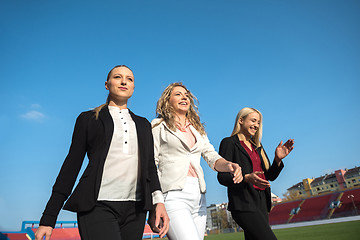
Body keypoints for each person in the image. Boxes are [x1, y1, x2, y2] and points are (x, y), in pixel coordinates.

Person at [35, 65, 169, 240]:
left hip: (136, 210)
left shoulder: (143, 124)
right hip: (97, 206)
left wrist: (157, 203)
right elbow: (71, 166)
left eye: (129, 79)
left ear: (133, 88)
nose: (123, 81)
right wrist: (49, 217)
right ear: (107, 84)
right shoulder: (88, 119)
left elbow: (150, 168)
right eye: (117, 77)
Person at [149, 82, 243, 240]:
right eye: (178, 94)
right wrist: (155, 201)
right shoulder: (158, 125)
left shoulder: (197, 128)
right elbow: (151, 164)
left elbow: (210, 154)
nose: (184, 96)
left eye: (186, 94)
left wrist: (228, 165)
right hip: (172, 195)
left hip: (199, 197)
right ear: (167, 100)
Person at [217, 107, 294, 240]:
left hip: (262, 202)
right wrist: (246, 178)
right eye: (253, 121)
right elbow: (222, 177)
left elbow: (270, 176)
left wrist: (277, 160)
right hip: (243, 203)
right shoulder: (229, 143)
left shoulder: (257, 146)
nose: (256, 125)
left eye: (258, 122)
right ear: (241, 120)